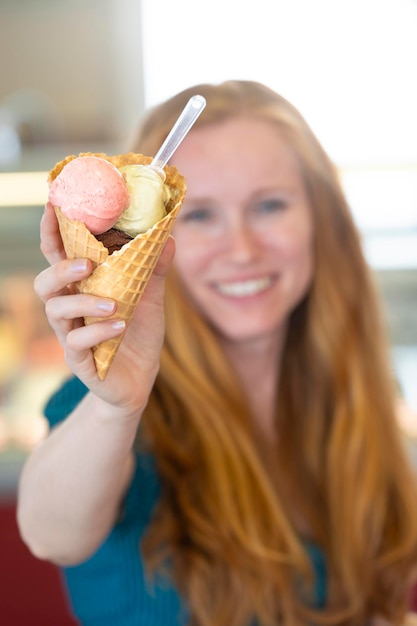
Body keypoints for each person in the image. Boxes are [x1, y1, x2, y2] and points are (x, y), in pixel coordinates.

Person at [17, 80, 417, 626]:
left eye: (270, 205)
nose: (243, 249)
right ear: (151, 238)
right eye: (201, 216)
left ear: (322, 221)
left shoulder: (356, 392)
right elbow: (50, 536)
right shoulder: (106, 405)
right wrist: (115, 408)